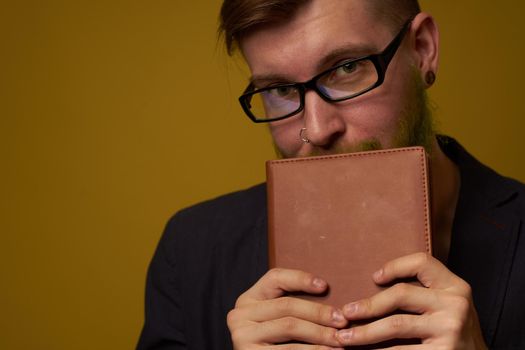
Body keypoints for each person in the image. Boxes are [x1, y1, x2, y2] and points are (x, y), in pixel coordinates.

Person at [137, 1, 525, 349]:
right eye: (280, 89)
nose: (318, 129)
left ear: (423, 49)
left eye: (347, 68)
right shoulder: (191, 252)